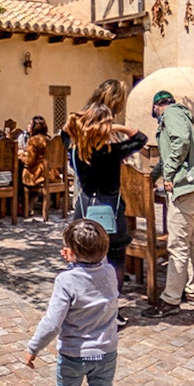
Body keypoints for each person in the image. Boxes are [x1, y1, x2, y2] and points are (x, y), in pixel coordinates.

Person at [24, 218, 132, 386]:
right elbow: (92, 271)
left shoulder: (66, 280)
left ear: (71, 252)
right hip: (106, 351)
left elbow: (53, 323)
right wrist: (75, 260)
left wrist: (33, 348)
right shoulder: (109, 272)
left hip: (74, 354)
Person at [143, 91, 194, 318]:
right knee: (189, 241)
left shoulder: (172, 114)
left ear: (157, 107)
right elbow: (169, 156)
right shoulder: (180, 115)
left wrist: (168, 175)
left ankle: (171, 299)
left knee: (177, 245)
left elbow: (180, 142)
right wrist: (153, 176)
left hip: (186, 188)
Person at [63, 102, 147, 293]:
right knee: (115, 255)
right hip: (110, 208)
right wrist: (117, 127)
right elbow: (141, 138)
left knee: (82, 252)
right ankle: (113, 303)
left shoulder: (76, 150)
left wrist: (84, 123)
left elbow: (64, 132)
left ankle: (85, 298)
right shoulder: (113, 151)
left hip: (85, 206)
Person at [18, 115, 51, 189]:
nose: (29, 126)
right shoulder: (48, 139)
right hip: (51, 173)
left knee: (18, 171)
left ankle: (22, 197)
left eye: (30, 124)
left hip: (38, 173)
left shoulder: (34, 140)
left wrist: (20, 156)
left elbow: (30, 161)